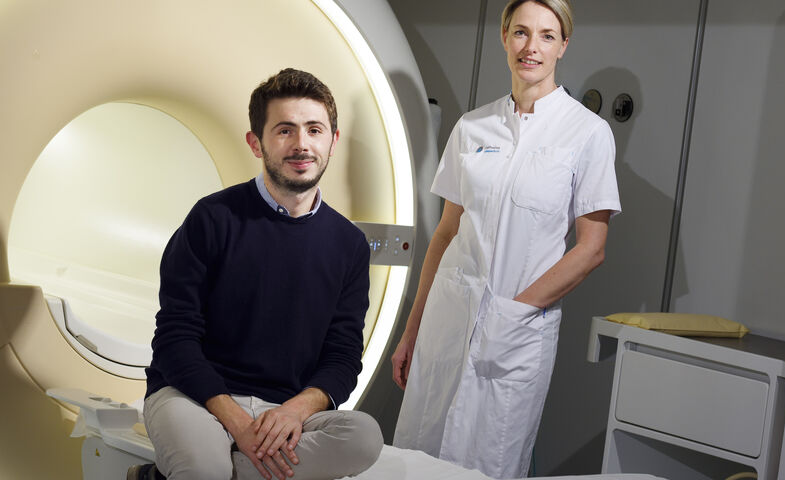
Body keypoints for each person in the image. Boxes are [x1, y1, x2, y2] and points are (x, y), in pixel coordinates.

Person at [390, 1, 620, 477]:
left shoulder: (588, 134)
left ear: (563, 46)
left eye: (546, 36)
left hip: (517, 335)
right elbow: (447, 233)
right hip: (447, 321)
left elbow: (591, 249)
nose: (531, 47)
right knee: (415, 457)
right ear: (504, 37)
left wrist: (514, 313)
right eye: (520, 33)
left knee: (488, 461)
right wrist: (413, 329)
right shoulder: (472, 127)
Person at [132, 68, 383, 480]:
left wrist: (294, 411)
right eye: (285, 130)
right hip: (195, 397)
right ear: (256, 142)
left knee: (363, 437)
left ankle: (160, 476)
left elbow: (342, 357)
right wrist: (235, 421)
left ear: (332, 141)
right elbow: (175, 338)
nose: (302, 145)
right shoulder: (212, 218)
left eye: (314, 130)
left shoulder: (349, 244)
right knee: (203, 470)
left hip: (284, 409)